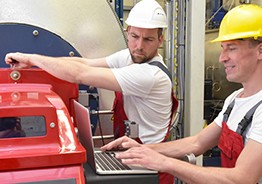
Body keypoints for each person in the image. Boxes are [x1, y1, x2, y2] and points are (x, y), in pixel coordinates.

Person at [5, 1, 177, 183]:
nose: (139, 45)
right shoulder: (129, 57)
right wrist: (34, 63)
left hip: (152, 169)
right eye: (135, 36)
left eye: (148, 39)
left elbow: (80, 74)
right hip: (132, 156)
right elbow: (84, 63)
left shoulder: (151, 75)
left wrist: (32, 59)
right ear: (127, 33)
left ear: (160, 39)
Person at [100, 4, 262, 184]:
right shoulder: (234, 99)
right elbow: (197, 143)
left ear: (260, 50)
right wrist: (144, 149)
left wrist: (164, 162)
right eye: (223, 48)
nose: (222, 58)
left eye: (231, 48)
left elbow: (241, 179)